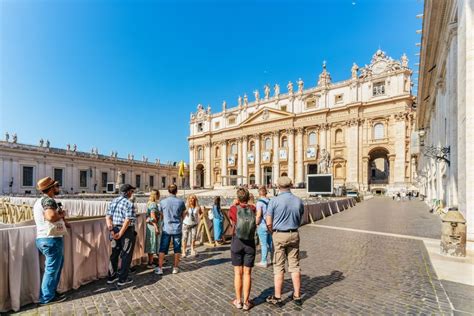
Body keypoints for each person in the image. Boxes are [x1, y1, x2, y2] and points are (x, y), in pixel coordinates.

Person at [266, 176, 304, 307]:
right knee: (294, 266)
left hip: (279, 235)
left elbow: (269, 222)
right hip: (294, 233)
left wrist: (272, 232)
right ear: (291, 185)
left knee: (279, 266)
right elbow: (300, 218)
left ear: (277, 186)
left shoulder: (274, 201)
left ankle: (277, 297)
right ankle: (297, 296)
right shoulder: (298, 201)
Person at [34, 177, 69, 305]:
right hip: (51, 239)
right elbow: (51, 216)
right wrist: (61, 215)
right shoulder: (48, 200)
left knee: (53, 268)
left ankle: (51, 292)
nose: (58, 188)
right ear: (51, 188)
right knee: (52, 269)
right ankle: (47, 297)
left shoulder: (39, 201)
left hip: (42, 238)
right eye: (56, 186)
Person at [229, 187, 257, 311]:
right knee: (247, 273)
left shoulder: (233, 209)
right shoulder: (253, 208)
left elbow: (231, 222)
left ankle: (238, 301)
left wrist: (235, 202)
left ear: (238, 198)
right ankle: (246, 302)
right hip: (250, 243)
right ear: (248, 197)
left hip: (237, 241)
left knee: (237, 273)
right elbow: (253, 206)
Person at [105, 184, 137, 286]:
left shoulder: (113, 201)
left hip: (114, 228)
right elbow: (127, 220)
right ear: (128, 192)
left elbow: (108, 217)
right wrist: (121, 233)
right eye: (132, 191)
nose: (132, 193)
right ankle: (123, 279)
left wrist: (111, 230)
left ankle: (112, 276)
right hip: (125, 230)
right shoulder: (129, 203)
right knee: (126, 254)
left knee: (114, 253)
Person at [155, 184, 186, 275]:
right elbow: (183, 215)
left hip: (166, 228)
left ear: (168, 191)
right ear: (176, 191)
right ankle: (175, 268)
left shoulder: (163, 202)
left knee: (163, 248)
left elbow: (161, 213)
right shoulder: (181, 202)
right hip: (177, 228)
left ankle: (160, 268)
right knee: (177, 249)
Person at [255, 186, 272, 268]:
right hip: (269, 224)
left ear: (259, 193)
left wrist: (256, 223)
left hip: (262, 224)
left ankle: (264, 261)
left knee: (263, 244)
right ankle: (273, 259)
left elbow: (258, 215)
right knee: (270, 243)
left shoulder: (259, 202)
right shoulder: (270, 201)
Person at [145, 189, 161, 268]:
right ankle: (151, 263)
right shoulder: (153, 204)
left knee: (150, 243)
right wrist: (156, 228)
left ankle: (150, 262)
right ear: (157, 195)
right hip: (153, 226)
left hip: (149, 226)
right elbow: (153, 218)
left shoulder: (149, 203)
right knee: (153, 243)